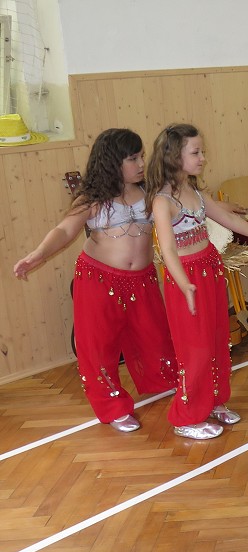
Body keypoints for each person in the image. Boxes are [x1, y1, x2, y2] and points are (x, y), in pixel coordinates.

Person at [13, 128, 178, 433]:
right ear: (113, 162)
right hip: (99, 279)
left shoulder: (149, 192)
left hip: (141, 280)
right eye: (133, 158)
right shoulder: (92, 198)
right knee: (99, 346)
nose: (141, 163)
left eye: (142, 156)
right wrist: (37, 254)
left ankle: (163, 380)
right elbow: (64, 231)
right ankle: (112, 405)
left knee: (155, 334)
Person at [146, 123, 248, 440]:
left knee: (217, 340)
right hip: (187, 278)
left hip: (208, 268)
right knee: (194, 348)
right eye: (195, 152)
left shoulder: (195, 193)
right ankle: (186, 415)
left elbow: (230, 220)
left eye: (202, 151)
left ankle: (213, 401)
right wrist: (184, 286)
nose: (203, 158)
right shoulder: (162, 201)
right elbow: (167, 250)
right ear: (173, 157)